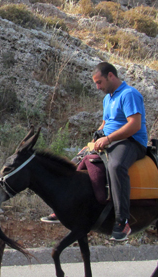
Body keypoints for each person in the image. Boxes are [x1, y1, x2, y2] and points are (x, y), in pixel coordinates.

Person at [41, 62, 147, 242]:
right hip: (109, 140)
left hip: (130, 142)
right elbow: (105, 124)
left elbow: (134, 124)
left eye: (99, 82)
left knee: (116, 166)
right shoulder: (108, 98)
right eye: (96, 83)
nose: (98, 87)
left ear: (111, 76)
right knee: (72, 164)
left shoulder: (130, 94)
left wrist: (108, 139)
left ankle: (122, 221)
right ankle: (63, 209)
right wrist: (91, 143)